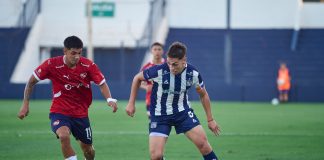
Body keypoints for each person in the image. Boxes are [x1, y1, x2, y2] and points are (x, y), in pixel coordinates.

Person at [17, 36, 118, 160]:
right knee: (64, 136)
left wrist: (109, 99)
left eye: (79, 53)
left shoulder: (88, 65)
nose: (76, 57)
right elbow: (31, 82)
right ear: (65, 51)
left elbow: (102, 83)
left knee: (88, 150)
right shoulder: (51, 64)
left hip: (81, 114)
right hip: (59, 111)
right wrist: (25, 103)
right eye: (73, 53)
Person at [126, 42, 220, 160]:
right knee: (156, 156)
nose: (171, 67)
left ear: (184, 60)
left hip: (182, 113)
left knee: (203, 145)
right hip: (160, 115)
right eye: (169, 63)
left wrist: (210, 119)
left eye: (175, 64)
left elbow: (203, 95)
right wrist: (131, 103)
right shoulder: (159, 70)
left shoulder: (193, 74)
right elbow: (137, 78)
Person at [140, 42, 165, 118]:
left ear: (163, 51)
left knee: (165, 124)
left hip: (166, 99)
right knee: (153, 122)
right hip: (151, 99)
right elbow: (139, 83)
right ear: (151, 51)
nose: (157, 51)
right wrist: (146, 87)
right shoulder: (146, 67)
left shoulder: (168, 65)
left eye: (159, 49)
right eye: (155, 49)